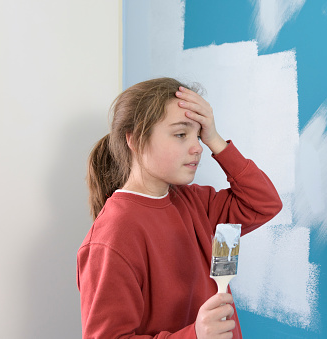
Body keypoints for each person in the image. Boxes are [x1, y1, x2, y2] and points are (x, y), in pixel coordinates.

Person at [77, 77, 282, 339]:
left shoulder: (194, 201)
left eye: (199, 135)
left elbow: (264, 204)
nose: (198, 147)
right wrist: (195, 335)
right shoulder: (112, 237)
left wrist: (216, 139)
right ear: (135, 140)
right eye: (181, 134)